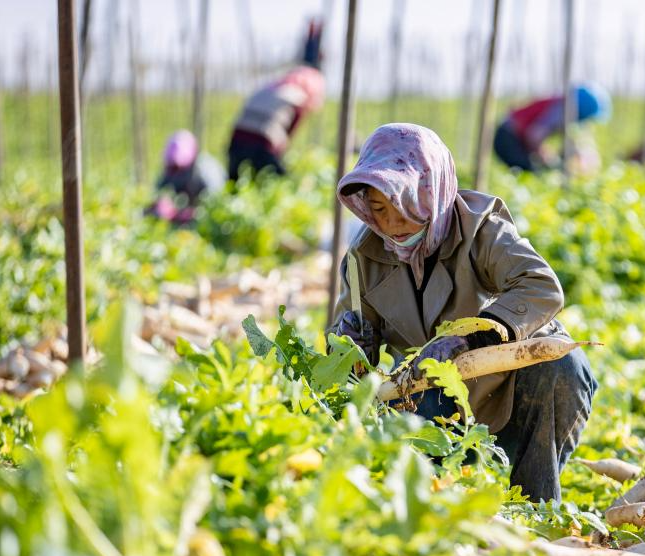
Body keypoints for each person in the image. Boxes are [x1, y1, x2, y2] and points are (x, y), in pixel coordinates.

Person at [329, 124, 597, 502]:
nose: (391, 224)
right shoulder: (363, 259)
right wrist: (349, 347)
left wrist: (472, 337)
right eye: (377, 209)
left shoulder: (481, 229)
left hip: (507, 392)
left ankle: (537, 506)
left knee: (561, 368)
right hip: (428, 400)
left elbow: (541, 286)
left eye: (403, 206)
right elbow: (348, 368)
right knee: (426, 498)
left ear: (429, 191)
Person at [226, 23, 325, 181]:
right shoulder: (298, 95)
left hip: (237, 139)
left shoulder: (277, 87)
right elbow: (288, 133)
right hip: (261, 144)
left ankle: (314, 30)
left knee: (235, 182)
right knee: (279, 181)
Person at [493, 83, 611, 173]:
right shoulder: (559, 109)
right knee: (529, 172)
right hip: (508, 137)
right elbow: (534, 136)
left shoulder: (560, 106)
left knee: (533, 170)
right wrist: (548, 157)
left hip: (513, 136)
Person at [147, 130, 225, 224]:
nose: (176, 172)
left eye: (178, 168)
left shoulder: (206, 172)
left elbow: (217, 202)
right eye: (172, 168)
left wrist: (194, 212)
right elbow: (158, 192)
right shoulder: (170, 171)